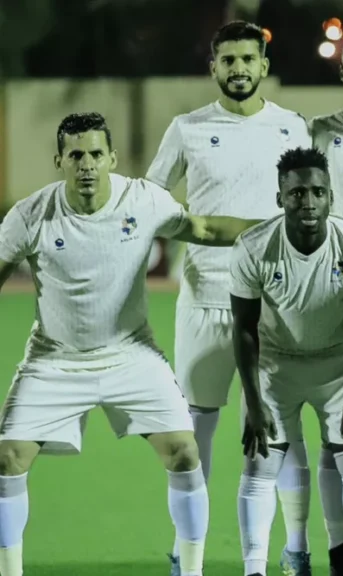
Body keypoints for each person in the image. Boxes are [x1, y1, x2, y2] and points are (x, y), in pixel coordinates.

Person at [0, 112, 262, 576]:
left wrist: (272, 228)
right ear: (59, 161)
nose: (86, 164)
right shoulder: (30, 215)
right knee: (8, 458)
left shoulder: (141, 200)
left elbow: (204, 229)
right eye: (75, 155)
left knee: (184, 452)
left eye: (95, 154)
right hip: (54, 359)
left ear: (112, 158)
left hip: (132, 355)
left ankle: (191, 570)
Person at [144, 21, 319, 575]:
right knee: (194, 436)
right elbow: (150, 202)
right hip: (204, 300)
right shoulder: (188, 128)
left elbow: (312, 204)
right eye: (228, 60)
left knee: (279, 434)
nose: (239, 68)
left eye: (248, 59)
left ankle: (292, 549)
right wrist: (195, 229)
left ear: (264, 65)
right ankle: (186, 552)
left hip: (276, 306)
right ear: (214, 67)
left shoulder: (292, 127)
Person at [228, 147, 343, 576]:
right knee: (259, 465)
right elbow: (243, 329)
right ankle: (254, 568)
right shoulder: (253, 247)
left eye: (318, 192)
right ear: (280, 198)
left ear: (331, 196)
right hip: (275, 366)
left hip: (340, 364)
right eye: (297, 193)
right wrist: (253, 401)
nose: (309, 202)